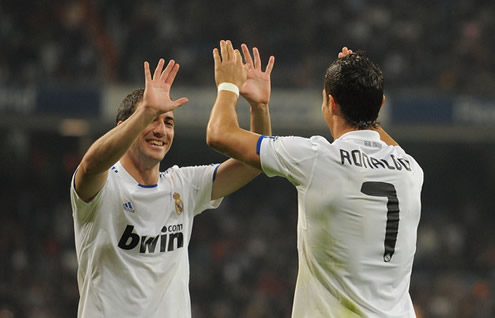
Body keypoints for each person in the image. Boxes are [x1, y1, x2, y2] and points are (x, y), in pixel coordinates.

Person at [207, 41, 423, 317]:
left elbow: (218, 133)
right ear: (380, 104)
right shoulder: (410, 169)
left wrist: (228, 86)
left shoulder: (316, 159)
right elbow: (383, 136)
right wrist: (360, 89)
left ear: (331, 103)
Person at [70, 46, 275, 318]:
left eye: (168, 122)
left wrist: (259, 107)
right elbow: (91, 164)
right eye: (152, 120)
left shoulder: (182, 185)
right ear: (124, 125)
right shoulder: (104, 185)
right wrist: (144, 111)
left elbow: (254, 163)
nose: (161, 130)